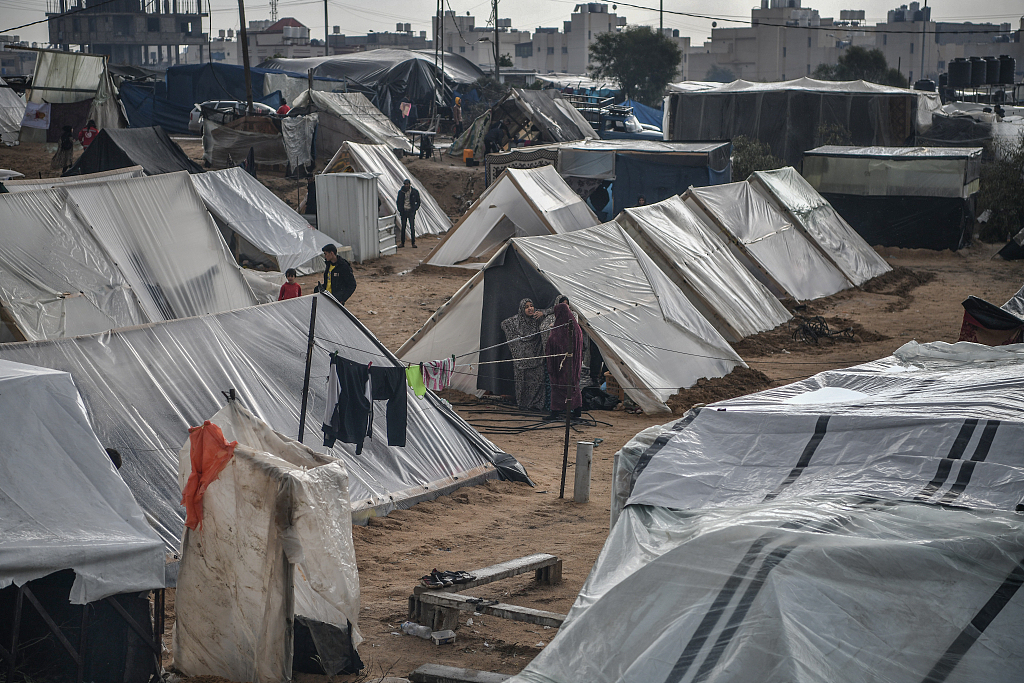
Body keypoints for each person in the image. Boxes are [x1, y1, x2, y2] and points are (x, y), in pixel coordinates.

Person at [501, 298, 546, 411]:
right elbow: (504, 324)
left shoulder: (538, 319)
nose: (530, 308)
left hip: (536, 358)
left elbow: (553, 311)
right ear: (522, 309)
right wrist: (518, 343)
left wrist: (543, 312)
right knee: (522, 384)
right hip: (522, 359)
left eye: (531, 306)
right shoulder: (516, 322)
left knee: (537, 383)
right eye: (526, 307)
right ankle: (524, 405)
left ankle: (536, 405)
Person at [545, 302, 584, 420]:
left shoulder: (560, 329)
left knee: (558, 388)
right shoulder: (576, 328)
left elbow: (554, 343)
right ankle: (577, 411)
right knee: (573, 388)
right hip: (574, 365)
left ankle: (555, 412)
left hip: (561, 367)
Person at [396, 179, 421, 248]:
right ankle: (402, 243)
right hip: (404, 211)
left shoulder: (414, 192)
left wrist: (414, 209)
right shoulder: (401, 192)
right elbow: (398, 202)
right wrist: (400, 210)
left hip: (411, 211)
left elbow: (418, 202)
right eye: (405, 184)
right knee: (403, 227)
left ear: (410, 184)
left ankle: (413, 242)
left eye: (407, 184)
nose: (406, 186)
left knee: (412, 227)